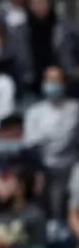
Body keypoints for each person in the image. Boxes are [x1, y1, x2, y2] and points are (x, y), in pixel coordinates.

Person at [27, 67, 79, 214]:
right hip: (43, 167)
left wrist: (47, 137)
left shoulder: (75, 108)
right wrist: (54, 137)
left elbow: (65, 139)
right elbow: (32, 143)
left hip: (70, 166)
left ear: (63, 83)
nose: (52, 84)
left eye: (56, 81)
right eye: (49, 80)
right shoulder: (34, 111)